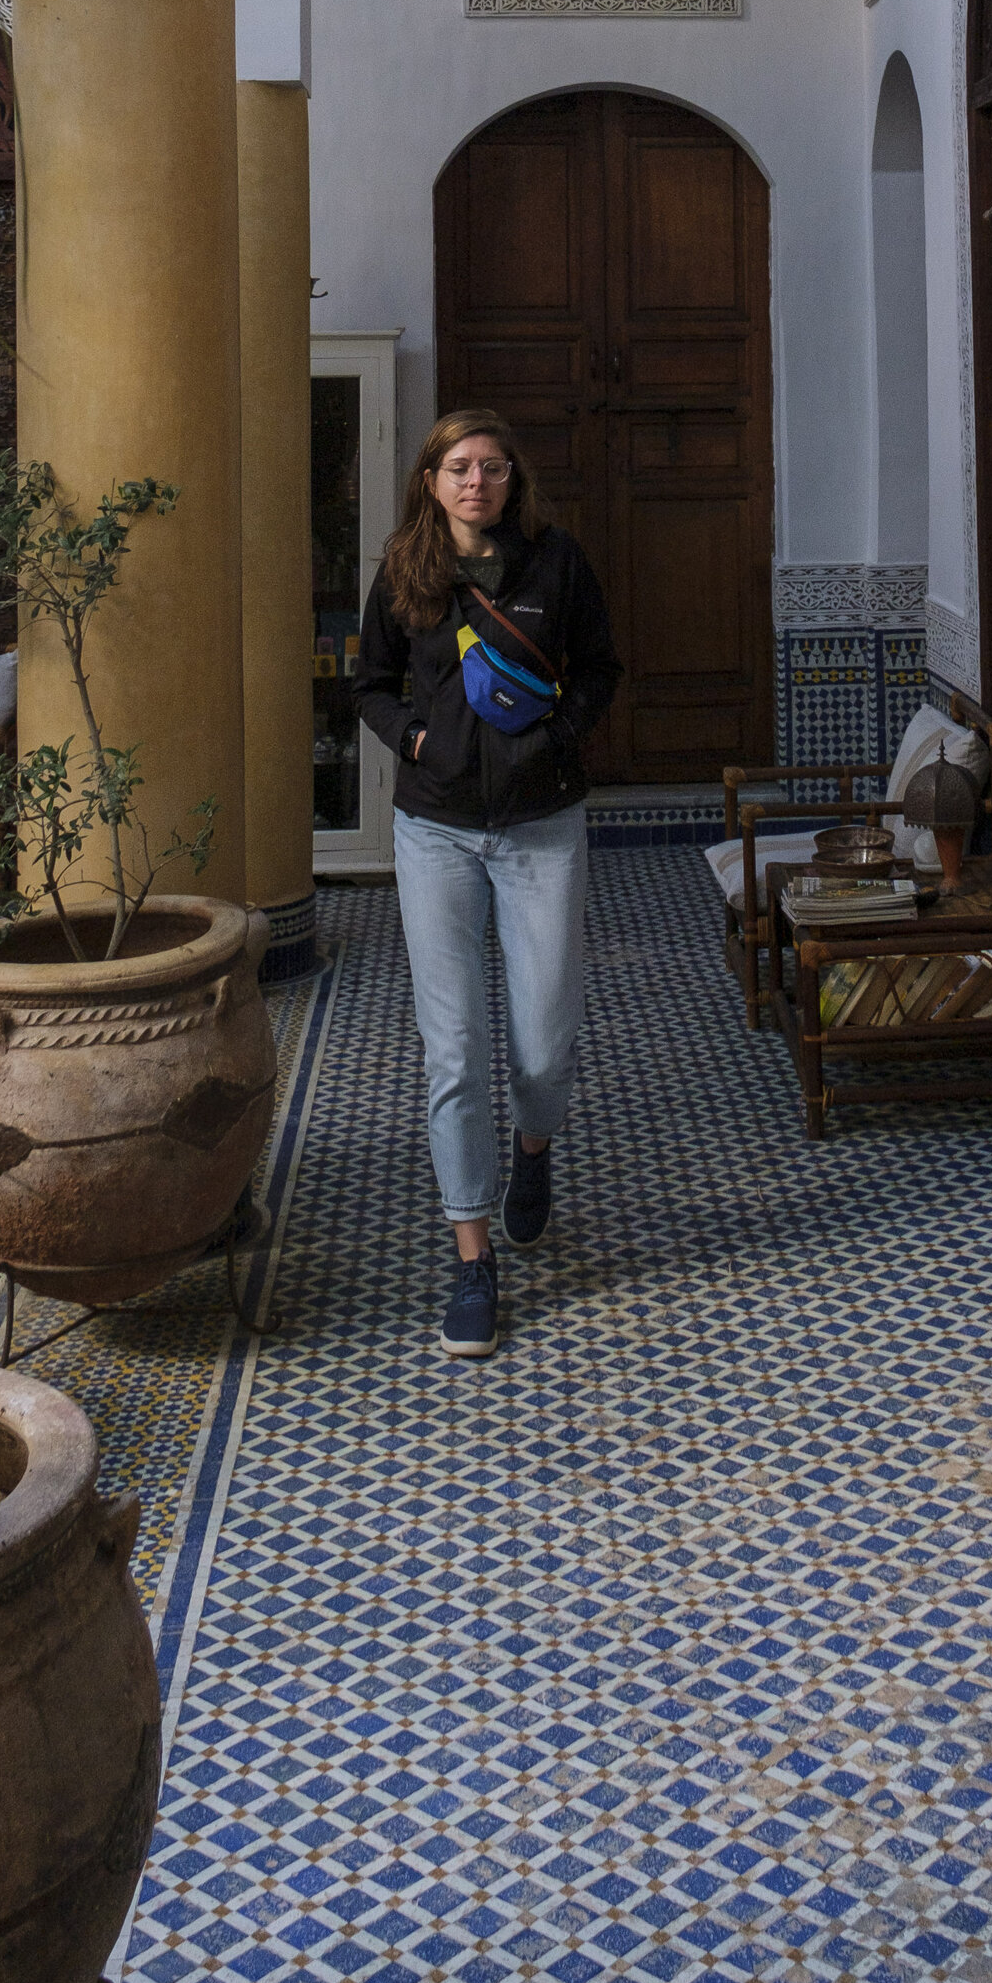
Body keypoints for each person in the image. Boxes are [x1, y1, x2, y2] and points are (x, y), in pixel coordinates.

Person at [355, 407, 622, 1357]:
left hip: (542, 825)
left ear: (514, 479)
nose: (477, 482)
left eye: (494, 467)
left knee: (544, 1043)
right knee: (456, 1050)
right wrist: (417, 741)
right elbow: (370, 684)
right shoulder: (406, 569)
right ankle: (472, 1259)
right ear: (431, 480)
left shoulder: (557, 562)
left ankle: (533, 1148)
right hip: (436, 830)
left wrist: (557, 738)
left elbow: (600, 670)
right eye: (460, 467)